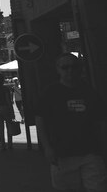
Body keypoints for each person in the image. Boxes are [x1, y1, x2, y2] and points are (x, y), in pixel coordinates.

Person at [35, 53, 107, 192]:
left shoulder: (90, 92)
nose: (70, 70)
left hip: (91, 152)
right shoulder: (50, 93)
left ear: (80, 69)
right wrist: (47, 147)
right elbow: (40, 120)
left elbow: (101, 121)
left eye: (74, 67)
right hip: (62, 155)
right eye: (65, 67)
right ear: (58, 69)